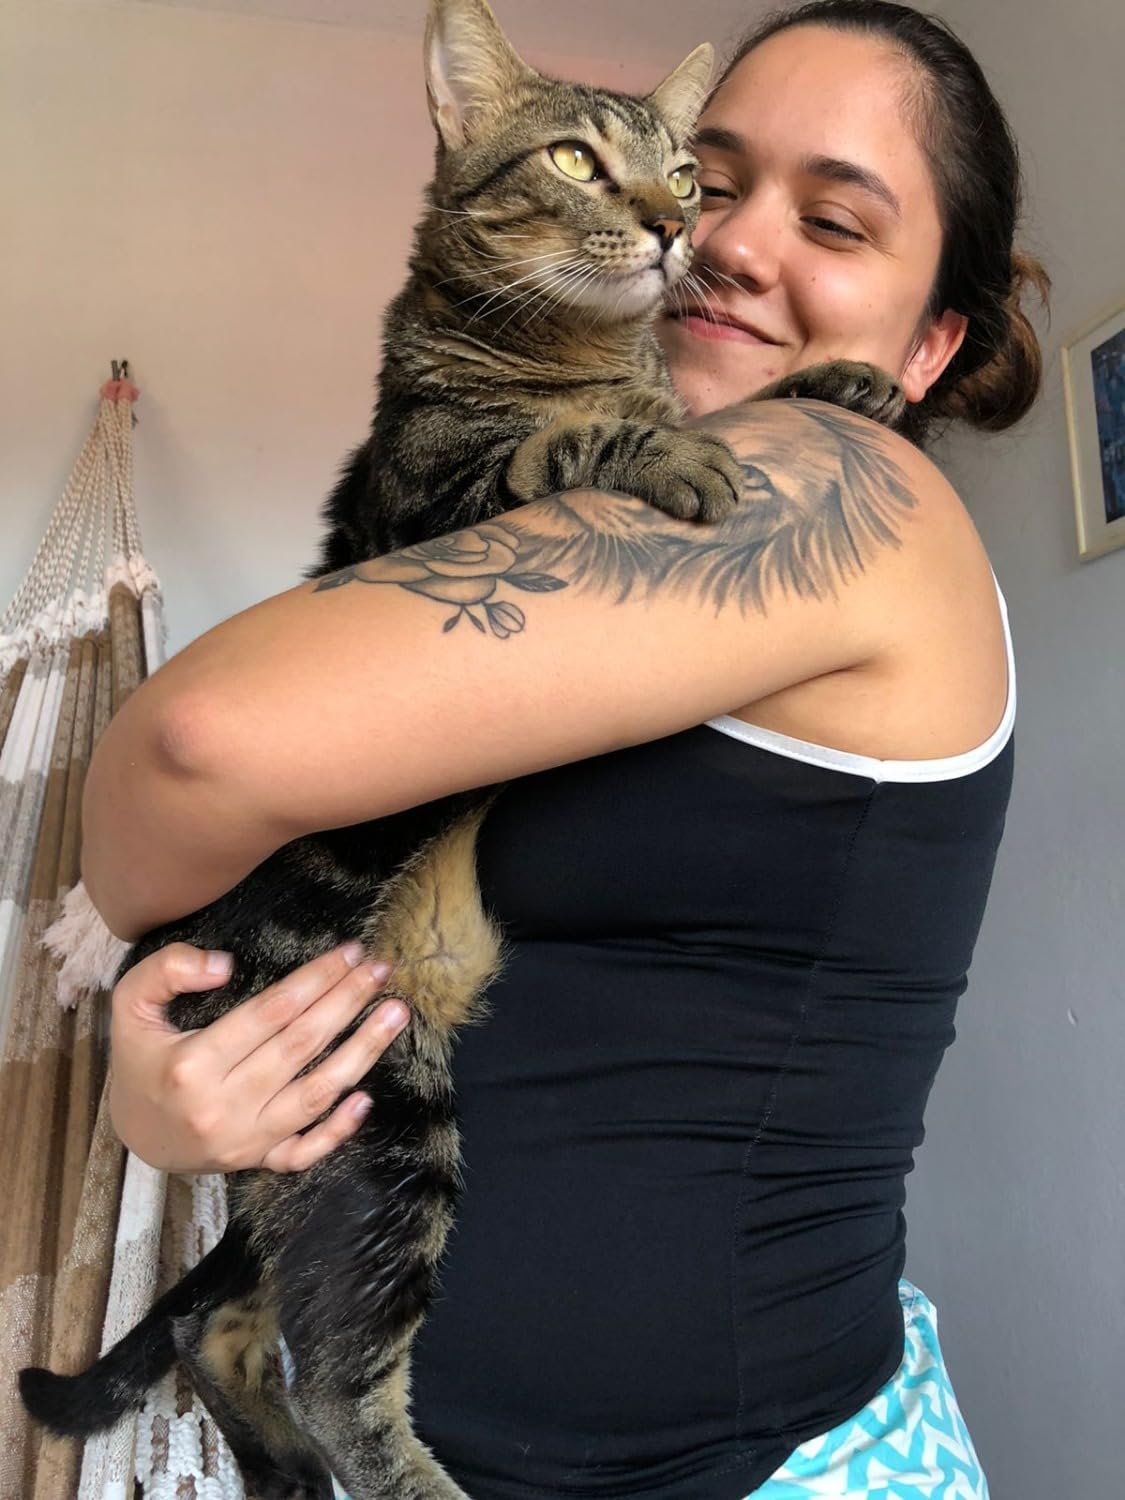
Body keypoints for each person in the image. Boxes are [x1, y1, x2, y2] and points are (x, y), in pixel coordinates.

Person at [83, 4, 1048, 1496]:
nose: (720, 238)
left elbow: (190, 752)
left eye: (833, 221)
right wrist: (181, 1084)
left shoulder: (839, 483)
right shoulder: (616, 528)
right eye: (710, 180)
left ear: (928, 344)